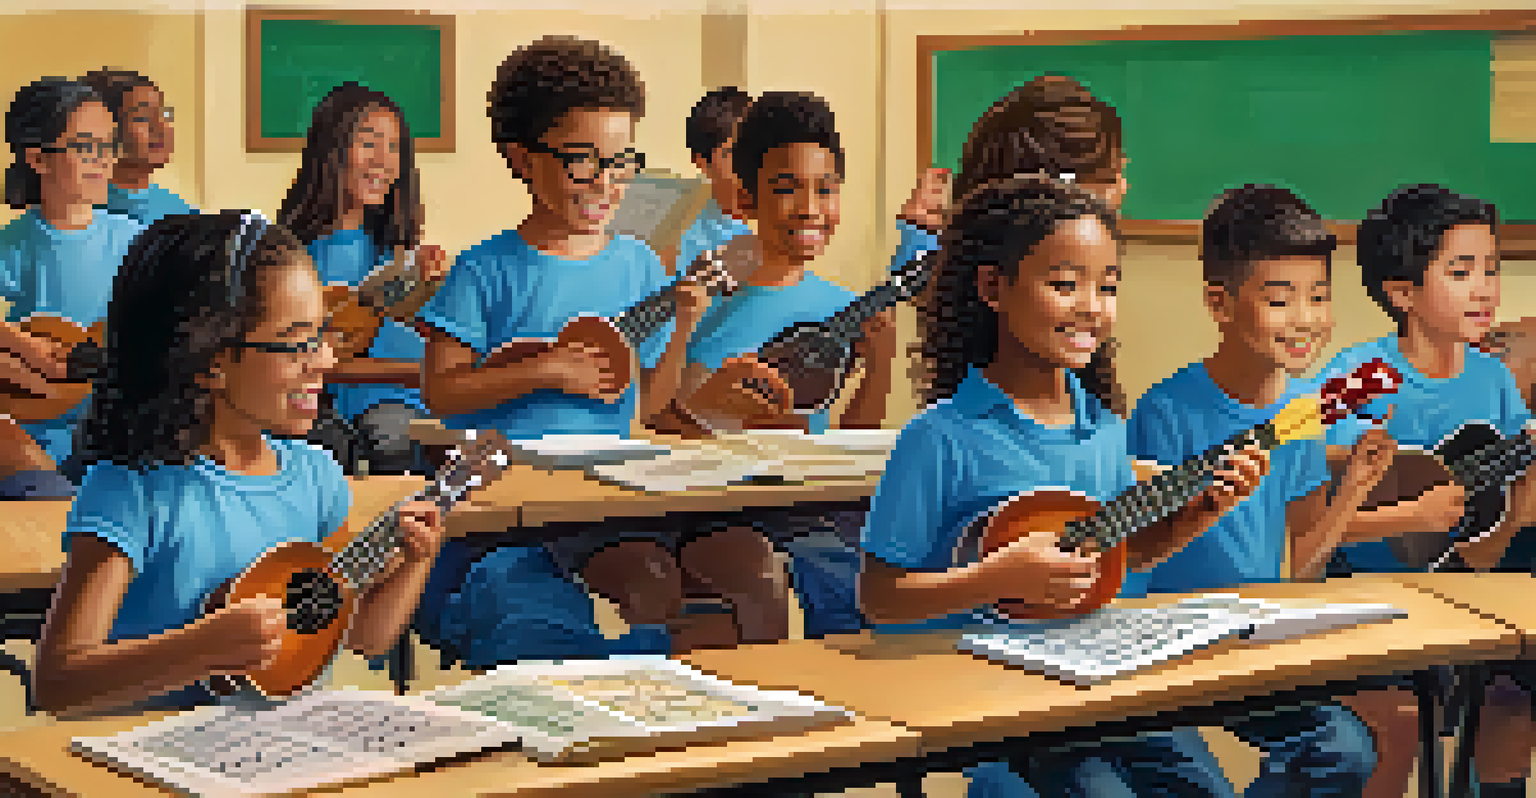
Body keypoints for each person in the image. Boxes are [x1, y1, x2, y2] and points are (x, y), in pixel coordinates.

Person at [861, 175, 1267, 797]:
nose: (1091, 307)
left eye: (1108, 286)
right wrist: (994, 579)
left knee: (1201, 786)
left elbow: (1113, 557)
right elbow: (879, 597)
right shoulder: (939, 438)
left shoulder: (1103, 429)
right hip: (983, 690)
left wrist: (1197, 515)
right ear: (993, 289)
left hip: (1088, 672)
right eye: (1064, 284)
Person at [32, 210, 446, 715]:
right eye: (298, 344)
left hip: (281, 748)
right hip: (144, 755)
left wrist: (414, 561)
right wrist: (199, 650)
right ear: (211, 360)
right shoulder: (133, 489)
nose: (325, 361)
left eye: (324, 335)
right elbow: (58, 682)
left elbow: (362, 635)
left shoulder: (316, 477)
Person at [412, 36, 713, 667]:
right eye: (581, 161)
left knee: (657, 584)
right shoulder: (484, 269)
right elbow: (441, 391)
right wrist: (544, 370)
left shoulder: (640, 266)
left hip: (603, 497)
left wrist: (684, 325)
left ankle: (641, 701)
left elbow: (649, 403)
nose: (605, 183)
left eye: (621, 162)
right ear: (522, 158)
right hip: (504, 502)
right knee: (528, 618)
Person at [1128, 185, 1411, 796]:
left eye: (1319, 296)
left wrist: (1352, 491)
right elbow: (1131, 560)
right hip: (1162, 648)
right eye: (1280, 300)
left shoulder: (1300, 416)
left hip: (1251, 641)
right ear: (1220, 303)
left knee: (1343, 751)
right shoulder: (1164, 413)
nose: (1306, 319)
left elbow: (1301, 568)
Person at [1315, 184, 1536, 798]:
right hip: (1366, 592)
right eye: (1461, 272)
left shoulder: (1492, 377)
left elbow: (1516, 472)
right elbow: (1309, 492)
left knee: (1516, 691)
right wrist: (1414, 510)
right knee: (1402, 719)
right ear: (1402, 293)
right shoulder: (1363, 376)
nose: (1484, 288)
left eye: (1491, 269)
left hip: (1466, 582)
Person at [279, 81, 448, 476]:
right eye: (369, 142)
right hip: (361, 407)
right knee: (388, 438)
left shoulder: (400, 251)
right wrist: (415, 374)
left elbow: (431, 336)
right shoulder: (292, 255)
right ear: (331, 150)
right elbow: (310, 361)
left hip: (422, 401)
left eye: (394, 148)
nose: (384, 161)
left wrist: (438, 290)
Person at [0, 77, 145, 498]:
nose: (103, 160)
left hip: (119, 433)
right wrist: (25, 346)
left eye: (109, 146)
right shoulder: (14, 245)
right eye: (85, 147)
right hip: (36, 434)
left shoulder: (134, 240)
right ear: (38, 159)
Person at [81, 68, 195, 225]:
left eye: (164, 114)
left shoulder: (183, 212)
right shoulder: (78, 210)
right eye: (143, 117)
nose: (161, 127)